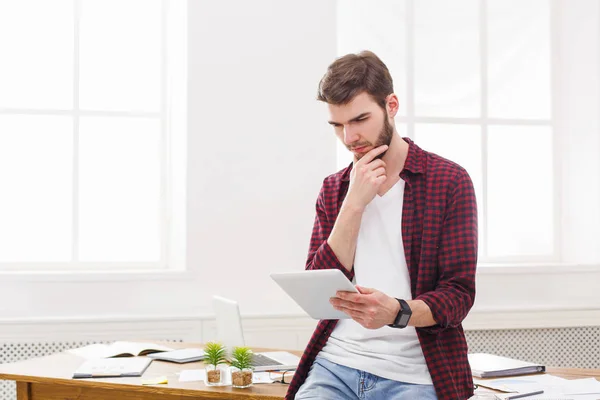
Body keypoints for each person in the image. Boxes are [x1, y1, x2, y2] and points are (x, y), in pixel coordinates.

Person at [286, 51, 478, 400]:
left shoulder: (448, 181)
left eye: (360, 119)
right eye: (338, 125)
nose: (349, 137)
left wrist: (398, 312)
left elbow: (459, 294)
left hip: (416, 374)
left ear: (391, 105)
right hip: (336, 364)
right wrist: (354, 204)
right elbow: (318, 287)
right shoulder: (335, 188)